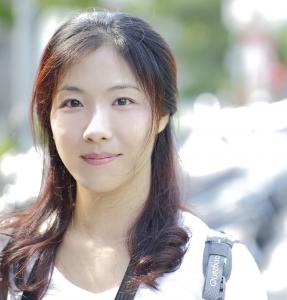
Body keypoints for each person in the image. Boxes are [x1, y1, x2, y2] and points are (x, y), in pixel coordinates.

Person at [0, 11, 268, 300]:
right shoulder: (13, 262)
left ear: (162, 114)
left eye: (122, 101)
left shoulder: (216, 274)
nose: (96, 130)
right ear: (48, 116)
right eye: (73, 103)